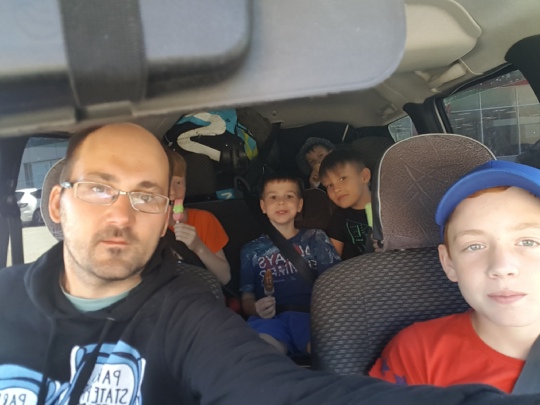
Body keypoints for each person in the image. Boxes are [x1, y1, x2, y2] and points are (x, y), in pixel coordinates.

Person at [1, 124, 539, 405]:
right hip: (269, 318)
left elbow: (282, 392)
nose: (121, 214)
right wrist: (249, 305)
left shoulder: (186, 315)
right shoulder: (254, 253)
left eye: (145, 196)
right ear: (57, 204)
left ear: (165, 212)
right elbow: (240, 291)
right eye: (98, 188)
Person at [369, 160, 540, 393]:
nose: (502, 266)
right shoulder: (418, 352)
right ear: (448, 263)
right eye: (474, 246)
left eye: (529, 242)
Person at [240, 173, 341, 356]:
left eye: (289, 196)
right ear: (263, 206)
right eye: (273, 197)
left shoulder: (316, 238)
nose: (281, 202)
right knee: (264, 354)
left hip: (312, 316)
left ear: (299, 204)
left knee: (328, 353)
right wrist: (255, 308)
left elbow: (334, 284)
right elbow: (247, 296)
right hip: (269, 320)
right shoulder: (250, 250)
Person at [164, 148, 231, 284]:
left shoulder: (204, 220)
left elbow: (225, 278)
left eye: (178, 183)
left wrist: (199, 247)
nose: (173, 192)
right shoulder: (142, 224)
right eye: (165, 183)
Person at [319, 148, 373, 259]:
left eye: (342, 178)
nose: (336, 189)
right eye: (329, 185)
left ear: (364, 176)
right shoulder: (339, 218)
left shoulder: (392, 206)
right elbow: (333, 260)